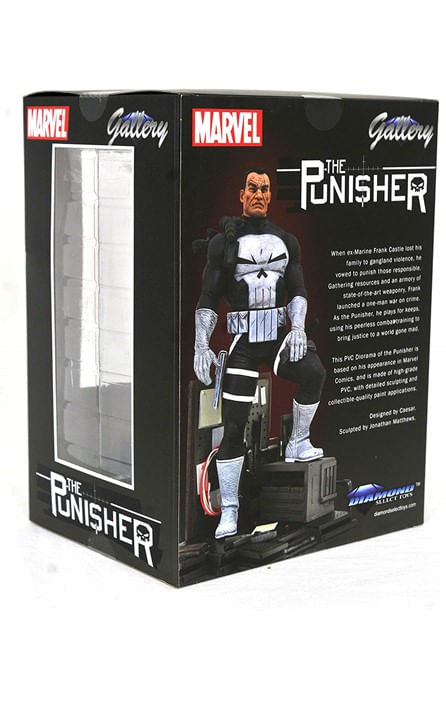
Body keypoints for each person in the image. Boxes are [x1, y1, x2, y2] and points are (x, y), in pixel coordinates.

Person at [194, 169, 326, 538]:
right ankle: (230, 510)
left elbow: (297, 289)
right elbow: (208, 296)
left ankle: (298, 441)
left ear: (270, 196)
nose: (258, 194)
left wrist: (298, 328)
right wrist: (201, 344)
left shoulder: (287, 241)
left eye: (264, 189)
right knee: (233, 428)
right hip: (244, 342)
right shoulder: (223, 243)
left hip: (279, 333)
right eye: (252, 188)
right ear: (242, 194)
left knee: (313, 372)